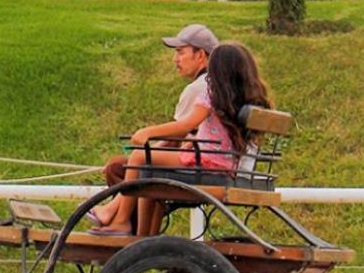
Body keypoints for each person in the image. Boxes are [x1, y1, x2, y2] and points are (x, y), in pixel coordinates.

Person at [91, 39, 271, 236]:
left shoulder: (211, 95)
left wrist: (147, 132)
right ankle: (141, 238)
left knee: (139, 157)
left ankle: (122, 220)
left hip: (205, 163)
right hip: (225, 164)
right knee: (149, 171)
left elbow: (186, 125)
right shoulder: (243, 99)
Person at [99, 24, 217, 194]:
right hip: (213, 160)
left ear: (200, 55)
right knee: (126, 164)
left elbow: (175, 137)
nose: (175, 59)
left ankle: (122, 216)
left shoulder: (198, 89)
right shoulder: (216, 83)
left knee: (116, 167)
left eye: (180, 52)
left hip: (198, 166)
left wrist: (138, 156)